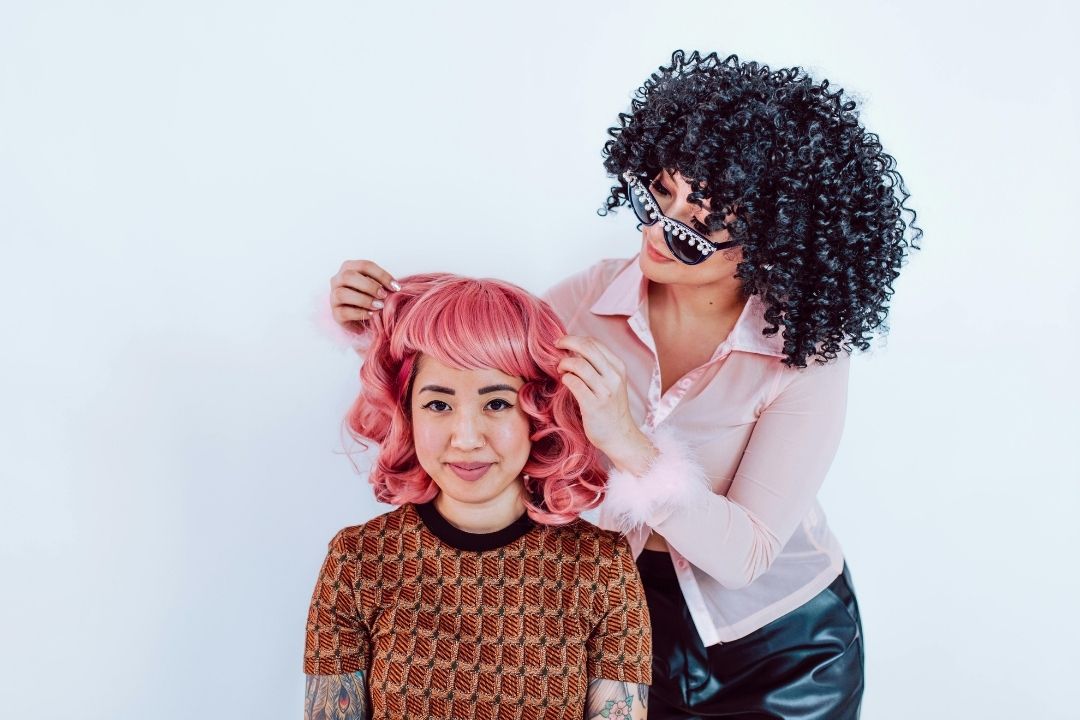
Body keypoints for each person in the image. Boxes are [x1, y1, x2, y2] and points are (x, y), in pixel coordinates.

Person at [329, 51, 920, 719]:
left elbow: (746, 555)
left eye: (698, 226)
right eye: (658, 194)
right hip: (625, 618)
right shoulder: (584, 302)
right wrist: (377, 315)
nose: (660, 231)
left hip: (786, 647)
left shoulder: (806, 357)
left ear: (773, 243)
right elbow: (471, 371)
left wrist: (628, 442)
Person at [304, 273, 652, 720]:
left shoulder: (601, 566)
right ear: (406, 413)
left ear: (538, 413)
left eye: (496, 404)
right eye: (438, 405)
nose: (466, 439)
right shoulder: (358, 560)